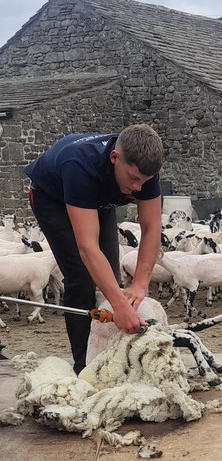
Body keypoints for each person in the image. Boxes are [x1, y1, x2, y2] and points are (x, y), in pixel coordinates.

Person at [24, 124, 163, 373]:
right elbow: (87, 248)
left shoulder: (143, 173)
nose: (138, 189)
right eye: (133, 178)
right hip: (52, 197)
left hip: (99, 199)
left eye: (145, 182)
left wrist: (140, 284)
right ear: (114, 158)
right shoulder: (80, 166)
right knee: (82, 278)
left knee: (112, 278)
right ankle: (84, 366)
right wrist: (120, 308)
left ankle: (116, 355)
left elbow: (152, 229)